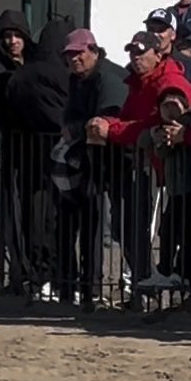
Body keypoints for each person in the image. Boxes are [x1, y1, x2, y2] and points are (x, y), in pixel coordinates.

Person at [86, 31, 191, 293]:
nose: (135, 57)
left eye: (141, 52)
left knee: (170, 232)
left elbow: (163, 119)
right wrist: (113, 126)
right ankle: (150, 281)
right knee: (133, 227)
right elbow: (136, 122)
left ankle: (162, 283)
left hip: (171, 169)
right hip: (152, 166)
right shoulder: (139, 83)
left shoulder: (168, 80)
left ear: (158, 54)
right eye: (132, 52)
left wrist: (111, 128)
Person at [0, 18, 73, 297]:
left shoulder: (20, 76)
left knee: (35, 219)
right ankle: (63, 278)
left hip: (28, 156)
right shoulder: (63, 74)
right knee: (63, 221)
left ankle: (41, 276)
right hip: (64, 157)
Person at [58, 29, 129, 310]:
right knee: (80, 225)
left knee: (102, 227)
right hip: (85, 163)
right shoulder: (78, 80)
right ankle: (79, 287)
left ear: (94, 51)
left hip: (112, 164)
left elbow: (104, 121)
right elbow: (73, 117)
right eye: (70, 55)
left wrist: (75, 128)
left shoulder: (108, 78)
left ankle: (96, 289)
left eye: (79, 53)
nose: (74, 59)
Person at [144, 7, 191, 85]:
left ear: (173, 34)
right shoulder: (139, 64)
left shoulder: (190, 67)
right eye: (151, 29)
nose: (155, 34)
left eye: (161, 29)